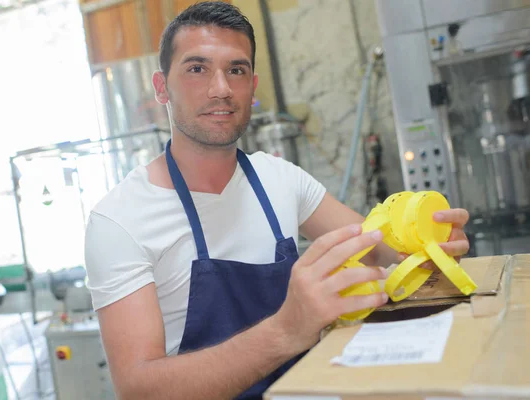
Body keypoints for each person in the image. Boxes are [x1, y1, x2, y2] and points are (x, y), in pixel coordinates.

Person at [84, 2, 471, 399]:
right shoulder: (119, 220)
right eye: (197, 68)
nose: (221, 88)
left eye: (236, 70)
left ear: (252, 86)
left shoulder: (279, 179)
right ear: (162, 86)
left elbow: (375, 250)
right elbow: (139, 389)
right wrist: (287, 330)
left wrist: (430, 244)